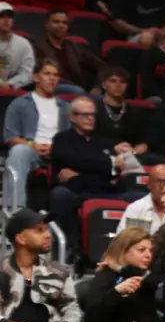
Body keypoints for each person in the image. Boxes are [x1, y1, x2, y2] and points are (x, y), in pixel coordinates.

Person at [48, 96, 144, 256]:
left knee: (139, 197)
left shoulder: (104, 142)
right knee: (60, 195)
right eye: (85, 115)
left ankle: (134, 250)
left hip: (105, 191)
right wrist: (108, 163)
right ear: (72, 117)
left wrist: (82, 172)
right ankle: (69, 249)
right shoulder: (62, 139)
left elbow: (88, 164)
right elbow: (73, 159)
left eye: (93, 114)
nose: (90, 118)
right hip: (76, 191)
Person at [4, 60, 69, 209]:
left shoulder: (66, 107)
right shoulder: (20, 103)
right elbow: (10, 137)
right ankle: (15, 209)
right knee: (19, 151)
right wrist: (32, 145)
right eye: (47, 74)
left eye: (55, 75)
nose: (52, 78)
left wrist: (57, 148)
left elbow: (72, 138)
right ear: (36, 77)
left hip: (58, 153)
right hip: (31, 151)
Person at [36, 9, 102, 94]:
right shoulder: (39, 48)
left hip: (79, 89)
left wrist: (97, 86)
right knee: (78, 91)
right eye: (56, 22)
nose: (61, 25)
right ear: (47, 24)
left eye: (64, 23)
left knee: (102, 98)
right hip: (55, 86)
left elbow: (99, 65)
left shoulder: (74, 47)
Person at [117, 164, 165, 234]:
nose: (163, 186)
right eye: (158, 181)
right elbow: (124, 238)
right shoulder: (136, 208)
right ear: (149, 184)